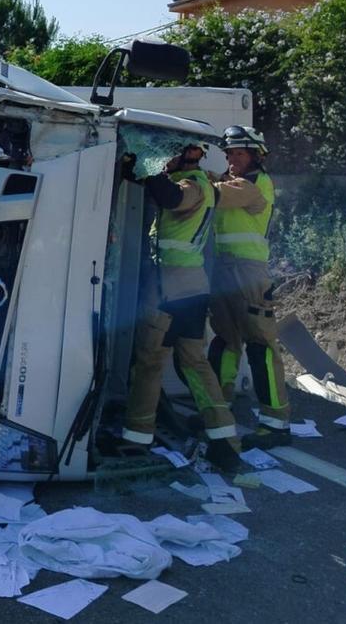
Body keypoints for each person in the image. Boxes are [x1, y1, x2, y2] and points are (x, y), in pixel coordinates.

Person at [119, 137, 242, 472]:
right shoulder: (196, 182)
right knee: (194, 364)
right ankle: (225, 443)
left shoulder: (193, 185)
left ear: (189, 155)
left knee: (149, 361)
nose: (163, 161)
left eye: (167, 154)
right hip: (191, 286)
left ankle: (135, 440)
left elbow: (170, 197)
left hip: (170, 288)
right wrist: (132, 165)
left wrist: (146, 164)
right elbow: (150, 182)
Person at [209, 125, 291, 449]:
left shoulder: (255, 184)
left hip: (249, 274)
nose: (232, 159)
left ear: (255, 156)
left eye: (239, 153)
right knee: (225, 342)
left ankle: (276, 424)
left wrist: (188, 179)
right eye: (229, 154)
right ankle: (218, 411)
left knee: (260, 347)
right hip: (225, 269)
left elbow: (215, 194)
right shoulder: (231, 180)